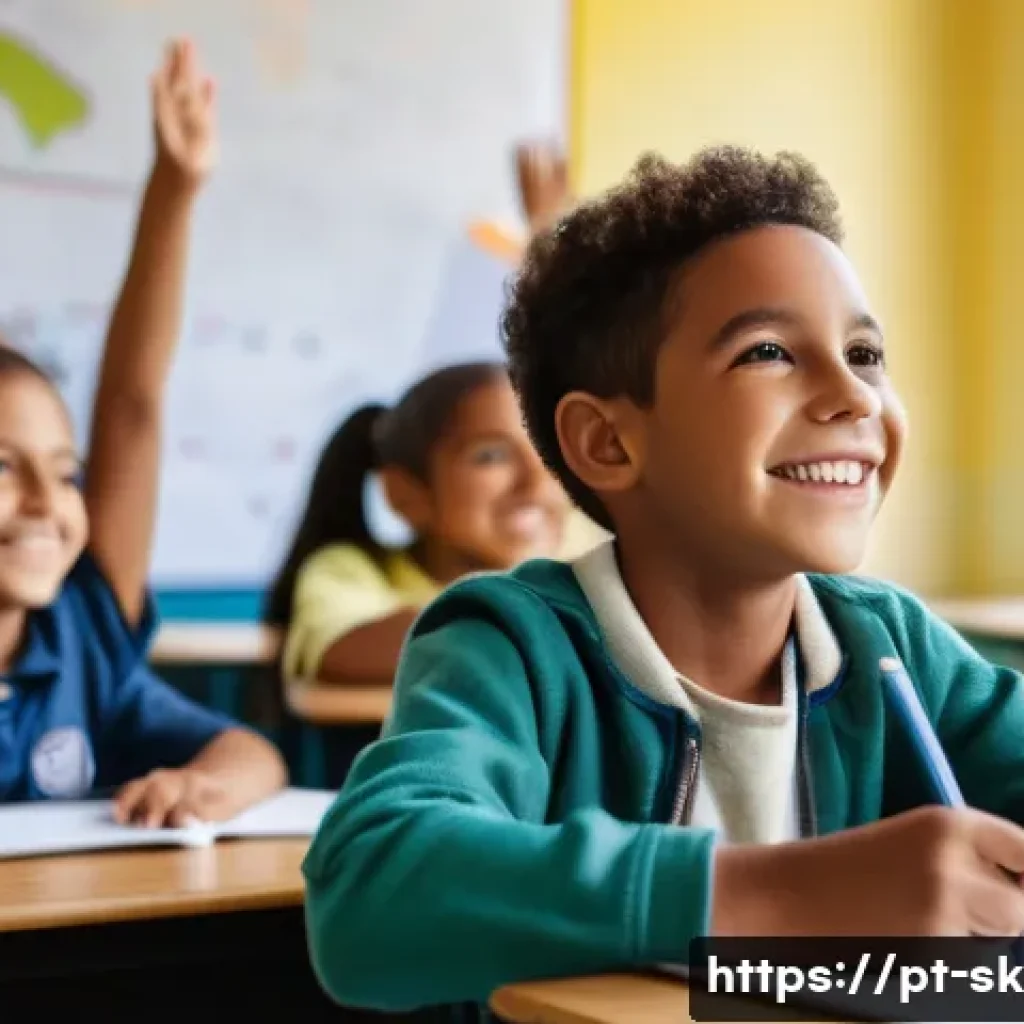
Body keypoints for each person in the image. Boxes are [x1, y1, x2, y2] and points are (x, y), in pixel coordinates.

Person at [300, 145, 1024, 1014]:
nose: (854, 396)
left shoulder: (888, 645)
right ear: (607, 443)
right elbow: (371, 896)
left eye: (865, 353)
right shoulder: (514, 647)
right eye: (768, 352)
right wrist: (784, 896)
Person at [0, 39, 285, 825]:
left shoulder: (83, 631)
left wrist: (202, 788)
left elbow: (131, 406)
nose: (43, 502)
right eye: (1, 466)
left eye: (64, 473)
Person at [266, 362, 567, 685]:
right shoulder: (349, 570)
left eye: (547, 449)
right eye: (491, 456)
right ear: (404, 495)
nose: (537, 482)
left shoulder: (589, 549)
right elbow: (341, 650)